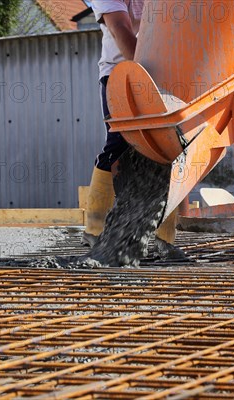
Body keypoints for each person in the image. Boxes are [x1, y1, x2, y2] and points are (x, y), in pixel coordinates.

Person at [84, 0, 184, 259]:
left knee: (170, 148)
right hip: (120, 76)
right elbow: (121, 30)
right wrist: (144, 75)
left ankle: (165, 239)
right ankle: (95, 229)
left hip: (162, 74)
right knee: (117, 147)